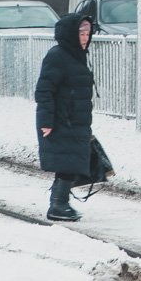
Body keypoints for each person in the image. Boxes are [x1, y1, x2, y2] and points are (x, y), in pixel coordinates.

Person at [35, 13, 95, 222]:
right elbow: (44, 91)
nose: (85, 37)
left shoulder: (77, 55)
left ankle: (60, 203)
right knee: (69, 163)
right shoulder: (58, 55)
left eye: (88, 32)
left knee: (73, 162)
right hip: (61, 121)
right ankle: (58, 205)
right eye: (81, 32)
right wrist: (46, 122)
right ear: (71, 33)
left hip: (75, 120)